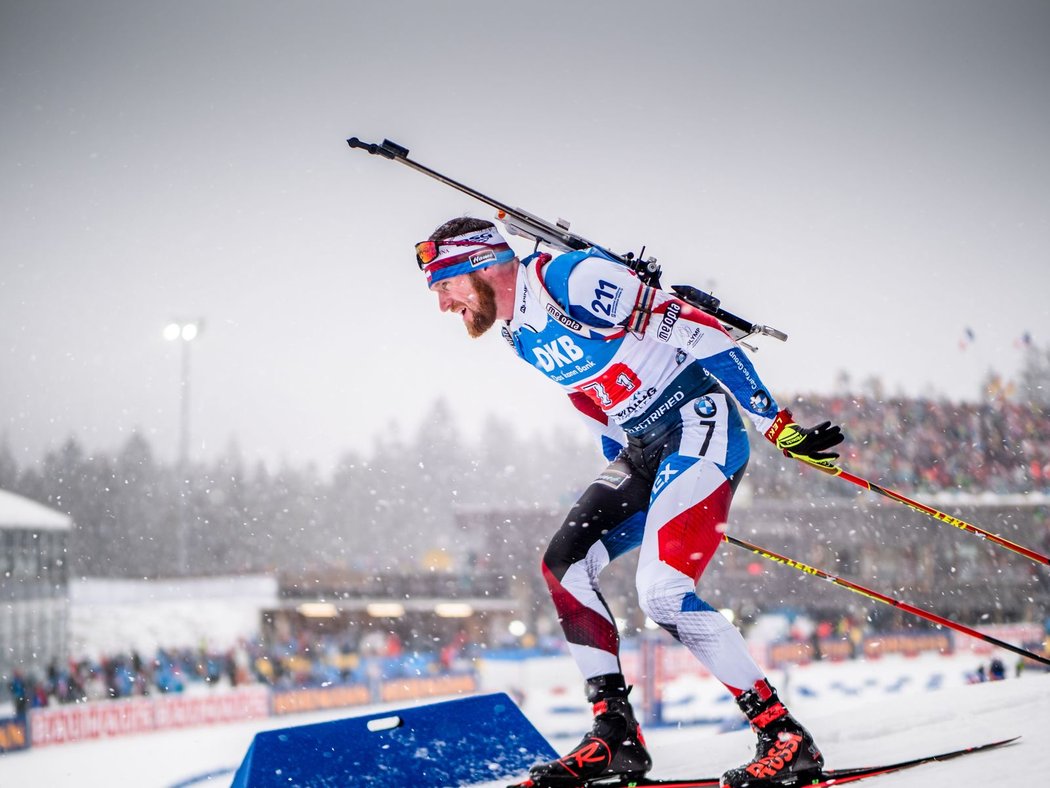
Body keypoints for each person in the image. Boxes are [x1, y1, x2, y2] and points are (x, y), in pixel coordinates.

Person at [415, 218, 844, 788]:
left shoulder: (572, 280)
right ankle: (614, 735)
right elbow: (592, 392)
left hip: (698, 424)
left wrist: (776, 425)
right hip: (643, 447)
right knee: (564, 566)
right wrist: (626, 468)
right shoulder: (515, 330)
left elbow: (705, 334)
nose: (444, 305)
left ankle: (784, 737)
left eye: (447, 285)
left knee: (662, 593)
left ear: (485, 264)